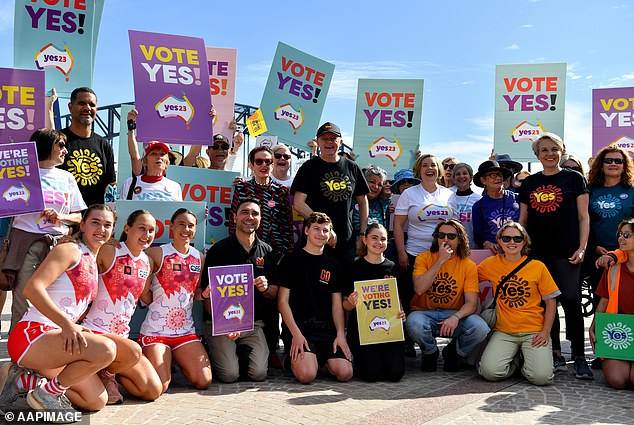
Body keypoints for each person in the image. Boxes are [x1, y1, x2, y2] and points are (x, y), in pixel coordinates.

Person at [3, 205, 118, 415]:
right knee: (107, 349)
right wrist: (68, 325)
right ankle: (46, 394)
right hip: (33, 335)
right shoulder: (69, 250)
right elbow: (32, 289)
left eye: (107, 225)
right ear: (82, 225)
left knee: (96, 401)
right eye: (95, 222)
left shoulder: (92, 258)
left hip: (58, 339)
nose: (101, 228)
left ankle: (25, 381)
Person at [518, 132, 592, 379]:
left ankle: (579, 357)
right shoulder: (529, 184)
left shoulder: (575, 179)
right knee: (547, 302)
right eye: (544, 150)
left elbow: (584, 217)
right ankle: (556, 354)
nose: (549, 154)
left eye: (554, 149)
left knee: (571, 300)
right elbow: (523, 220)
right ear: (537, 155)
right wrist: (519, 248)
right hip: (538, 253)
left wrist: (582, 247)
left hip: (567, 251)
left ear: (562, 150)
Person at [4, 129, 86, 332]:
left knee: (57, 297)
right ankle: (20, 358)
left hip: (58, 243)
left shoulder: (67, 178)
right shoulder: (21, 172)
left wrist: (61, 217)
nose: (65, 151)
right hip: (26, 242)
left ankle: (50, 348)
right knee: (23, 298)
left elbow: (78, 217)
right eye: (61, 145)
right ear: (45, 146)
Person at [81, 210, 162, 404]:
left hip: (121, 340)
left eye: (151, 230)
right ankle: (104, 376)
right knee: (133, 352)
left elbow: (146, 297)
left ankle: (109, 372)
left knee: (153, 390)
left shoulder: (147, 261)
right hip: (93, 334)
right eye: (141, 228)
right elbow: (83, 253)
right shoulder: (109, 250)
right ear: (127, 229)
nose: (147, 235)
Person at [201, 199, 279, 382]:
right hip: (220, 324)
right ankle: (218, 351)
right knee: (229, 376)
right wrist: (226, 325)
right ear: (234, 217)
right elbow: (206, 297)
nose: (250, 217)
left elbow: (275, 292)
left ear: (260, 219)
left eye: (255, 213)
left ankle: (240, 355)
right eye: (245, 212)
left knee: (259, 374)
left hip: (252, 324)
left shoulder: (267, 251)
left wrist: (266, 288)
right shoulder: (218, 251)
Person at [138, 208, 212, 392]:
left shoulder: (199, 257)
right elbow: (142, 290)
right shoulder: (156, 253)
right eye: (181, 224)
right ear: (172, 227)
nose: (186, 229)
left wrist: (204, 295)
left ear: (195, 229)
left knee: (204, 381)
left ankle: (176, 360)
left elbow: (195, 293)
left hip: (185, 332)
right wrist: (153, 303)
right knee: (160, 386)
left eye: (191, 226)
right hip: (156, 331)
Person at [478, 222, 560, 386]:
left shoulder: (537, 267)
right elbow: (468, 278)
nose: (512, 242)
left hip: (534, 331)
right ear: (499, 241)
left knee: (541, 378)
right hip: (504, 331)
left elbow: (551, 302)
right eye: (506, 238)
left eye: (517, 238)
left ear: (524, 242)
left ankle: (527, 363)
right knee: (490, 372)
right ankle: (515, 363)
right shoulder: (490, 264)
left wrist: (545, 332)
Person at [277, 212, 353, 384]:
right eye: (316, 229)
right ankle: (296, 360)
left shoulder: (334, 265)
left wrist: (341, 334)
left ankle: (321, 358)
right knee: (307, 375)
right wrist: (295, 334)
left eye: (325, 230)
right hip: (300, 329)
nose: (321, 234)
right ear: (306, 231)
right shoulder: (290, 260)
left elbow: (336, 306)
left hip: (326, 331)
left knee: (345, 373)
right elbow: (282, 303)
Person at [407, 219, 489, 372]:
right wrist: (440, 261)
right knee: (413, 322)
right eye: (441, 235)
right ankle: (430, 352)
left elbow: (471, 304)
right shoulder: (423, 257)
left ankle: (455, 352)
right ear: (436, 238)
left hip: (454, 314)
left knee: (480, 328)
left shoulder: (468, 265)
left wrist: (455, 317)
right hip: (425, 313)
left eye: (451, 236)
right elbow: (419, 289)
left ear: (460, 240)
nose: (445, 240)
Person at [292, 122, 369, 264]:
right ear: (318, 141)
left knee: (344, 285)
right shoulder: (308, 167)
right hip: (315, 241)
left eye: (333, 138)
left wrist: (362, 234)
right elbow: (298, 203)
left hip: (346, 242)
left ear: (341, 141)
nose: (329, 142)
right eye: (324, 138)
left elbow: (363, 203)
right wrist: (324, 228)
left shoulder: (352, 167)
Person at [343, 223, 406, 382]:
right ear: (364, 240)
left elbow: (399, 301)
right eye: (374, 238)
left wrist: (401, 313)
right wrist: (351, 302)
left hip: (389, 332)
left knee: (395, 374)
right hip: (363, 332)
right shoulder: (353, 268)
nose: (379, 242)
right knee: (371, 375)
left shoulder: (394, 269)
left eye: (383, 239)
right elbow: (345, 305)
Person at [585, 146, 634, 309]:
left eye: (618, 161)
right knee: (602, 301)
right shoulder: (590, 190)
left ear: (625, 165)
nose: (613, 164)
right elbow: (582, 220)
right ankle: (601, 334)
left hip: (627, 255)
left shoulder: (632, 191)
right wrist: (592, 247)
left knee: (626, 301)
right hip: (598, 253)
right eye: (608, 160)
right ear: (601, 164)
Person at [590, 218, 634, 389]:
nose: (620, 239)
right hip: (617, 332)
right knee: (617, 381)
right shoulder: (613, 267)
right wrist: (594, 327)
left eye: (626, 235)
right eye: (619, 235)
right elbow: (604, 300)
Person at [393, 154, 457, 270]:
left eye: (433, 165)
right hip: (415, 253)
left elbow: (455, 226)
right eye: (425, 165)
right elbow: (398, 225)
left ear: (439, 169)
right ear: (419, 170)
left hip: (443, 254)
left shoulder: (449, 195)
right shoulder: (408, 193)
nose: (429, 168)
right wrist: (401, 252)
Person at [229, 146, 293, 255]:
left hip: (274, 251)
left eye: (268, 162)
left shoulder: (281, 191)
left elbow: (287, 225)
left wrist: (286, 254)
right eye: (259, 161)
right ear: (251, 165)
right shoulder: (242, 188)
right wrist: (233, 247)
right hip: (246, 248)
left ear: (272, 165)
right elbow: (233, 221)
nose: (264, 165)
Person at [58, 87, 116, 206]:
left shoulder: (104, 145)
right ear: (70, 107)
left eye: (92, 105)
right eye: (81, 103)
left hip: (93, 220)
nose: (87, 108)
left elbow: (109, 184)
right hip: (63, 218)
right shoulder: (58, 141)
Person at [472, 160, 519, 254]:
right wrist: (486, 243)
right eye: (493, 175)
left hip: (516, 252)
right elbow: (478, 235)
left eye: (500, 175)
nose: (498, 178)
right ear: (483, 180)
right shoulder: (478, 206)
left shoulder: (517, 199)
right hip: (493, 254)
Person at [452, 163, 482, 249]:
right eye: (457, 174)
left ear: (470, 178)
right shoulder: (447, 198)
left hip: (472, 247)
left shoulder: (479, 199)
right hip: (451, 247)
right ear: (453, 178)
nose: (461, 176)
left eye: (465, 173)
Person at [353, 165, 389, 231]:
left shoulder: (385, 203)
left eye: (379, 185)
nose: (376, 187)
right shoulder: (351, 201)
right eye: (372, 182)